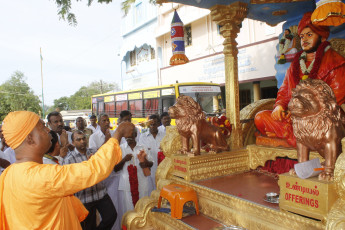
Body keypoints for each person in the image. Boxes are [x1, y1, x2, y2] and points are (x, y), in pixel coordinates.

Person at [0, 111, 135, 229]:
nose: (48, 131)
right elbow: (93, 169)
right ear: (30, 138)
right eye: (42, 128)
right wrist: (118, 134)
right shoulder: (42, 176)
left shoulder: (7, 175)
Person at [254, 12, 345, 147]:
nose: (304, 40)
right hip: (293, 119)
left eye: (309, 35)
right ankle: (289, 138)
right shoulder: (295, 65)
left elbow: (335, 100)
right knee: (260, 117)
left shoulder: (335, 63)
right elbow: (284, 92)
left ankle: (284, 139)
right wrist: (279, 107)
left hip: (322, 119)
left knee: (322, 130)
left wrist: (302, 112)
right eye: (302, 36)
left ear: (322, 37)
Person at [64, 130, 116, 230]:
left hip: (100, 193)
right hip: (85, 198)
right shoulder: (69, 159)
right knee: (89, 226)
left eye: (83, 138)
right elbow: (70, 181)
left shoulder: (94, 152)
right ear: (73, 143)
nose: (82, 141)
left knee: (111, 216)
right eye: (78, 139)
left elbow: (103, 168)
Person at [116, 129, 153, 229]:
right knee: (129, 211)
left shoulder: (142, 147)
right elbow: (115, 168)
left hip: (142, 183)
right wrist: (124, 160)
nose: (128, 137)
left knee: (142, 210)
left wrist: (143, 161)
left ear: (135, 134)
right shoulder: (120, 148)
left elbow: (151, 163)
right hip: (127, 186)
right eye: (126, 136)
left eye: (130, 135)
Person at [139, 114, 165, 190]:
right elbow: (141, 153)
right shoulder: (143, 136)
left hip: (162, 169)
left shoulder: (164, 135)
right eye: (151, 124)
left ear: (158, 124)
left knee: (161, 189)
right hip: (149, 169)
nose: (153, 126)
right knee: (150, 191)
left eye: (155, 124)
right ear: (148, 125)